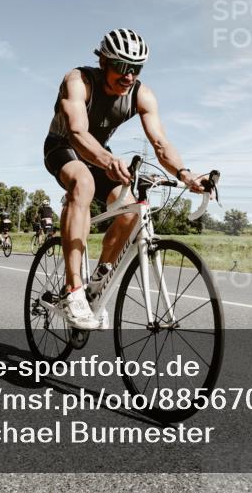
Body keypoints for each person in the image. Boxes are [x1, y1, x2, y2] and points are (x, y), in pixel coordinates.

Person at [43, 29, 208, 329]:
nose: (129, 76)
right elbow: (78, 133)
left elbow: (160, 143)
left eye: (136, 68)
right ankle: (73, 291)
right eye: (121, 66)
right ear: (104, 61)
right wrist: (107, 160)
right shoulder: (79, 81)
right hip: (64, 145)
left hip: (100, 152)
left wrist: (185, 174)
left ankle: (99, 280)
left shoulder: (142, 95)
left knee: (131, 209)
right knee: (83, 183)